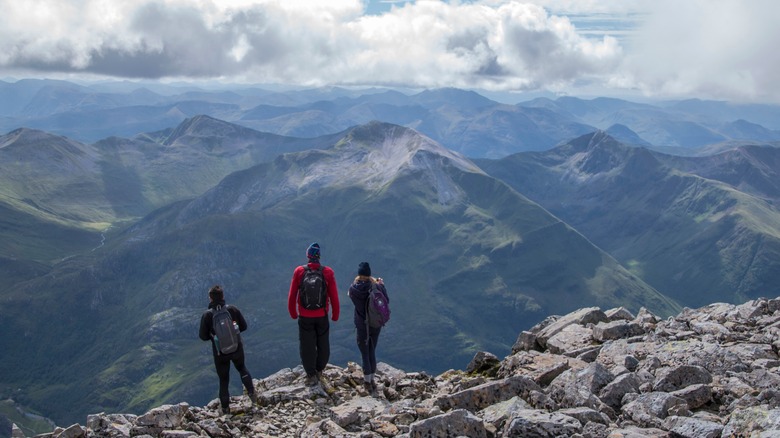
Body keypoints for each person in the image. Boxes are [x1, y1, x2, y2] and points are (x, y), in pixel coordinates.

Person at [199, 285, 257, 414]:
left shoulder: (207, 315)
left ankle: (225, 409)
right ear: (223, 296)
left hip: (220, 352)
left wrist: (214, 335)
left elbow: (202, 336)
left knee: (224, 379)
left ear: (210, 298)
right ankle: (253, 395)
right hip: (236, 348)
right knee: (242, 369)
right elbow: (244, 326)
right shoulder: (232, 310)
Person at [287, 242, 340, 386]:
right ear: (319, 256)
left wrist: (293, 313)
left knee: (306, 344)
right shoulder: (327, 272)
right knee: (323, 343)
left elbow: (292, 295)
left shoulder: (299, 271)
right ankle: (320, 368)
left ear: (308, 256)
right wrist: (335, 314)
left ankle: (310, 373)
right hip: (322, 315)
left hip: (304, 316)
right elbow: (334, 296)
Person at [348, 261, 388, 396]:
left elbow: (351, 296)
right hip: (375, 324)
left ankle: (367, 383)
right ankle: (372, 381)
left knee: (365, 353)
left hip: (362, 325)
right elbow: (386, 300)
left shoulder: (354, 289)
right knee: (372, 350)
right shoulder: (376, 286)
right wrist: (381, 285)